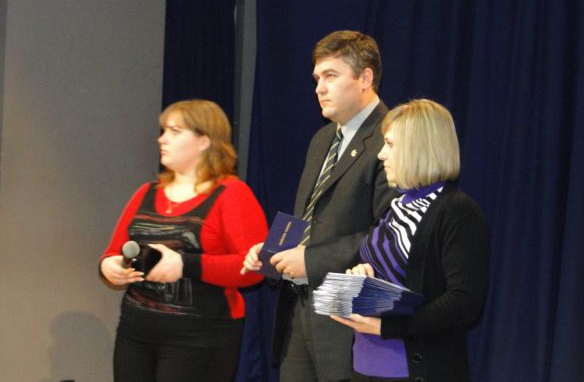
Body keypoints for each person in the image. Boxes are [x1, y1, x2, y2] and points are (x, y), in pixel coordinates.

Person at [242, 30, 396, 381]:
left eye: (330, 76)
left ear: (365, 78)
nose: (319, 89)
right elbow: (308, 217)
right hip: (299, 312)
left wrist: (310, 261)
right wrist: (273, 255)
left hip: (349, 319)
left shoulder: (391, 138)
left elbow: (388, 234)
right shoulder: (323, 139)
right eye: (317, 79)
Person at [100, 99, 268, 382]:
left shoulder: (231, 194)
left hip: (201, 336)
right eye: (164, 131)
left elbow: (254, 268)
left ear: (204, 141)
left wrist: (186, 265)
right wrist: (110, 267)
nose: (162, 139)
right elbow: (112, 252)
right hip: (136, 331)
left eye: (175, 131)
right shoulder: (146, 192)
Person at [330, 99, 490, 382]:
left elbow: (464, 301)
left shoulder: (457, 210)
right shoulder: (396, 204)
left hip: (413, 370)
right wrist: (360, 276)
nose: (381, 154)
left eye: (390, 144)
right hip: (365, 366)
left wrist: (387, 328)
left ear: (420, 148)